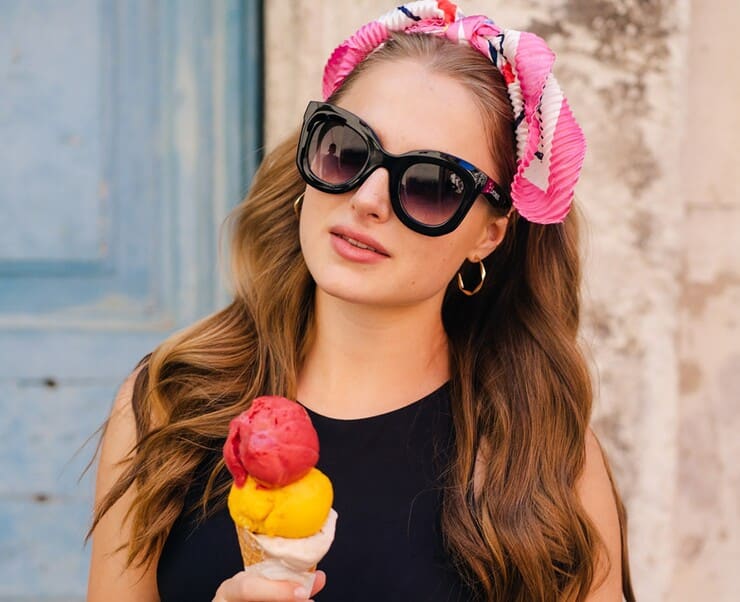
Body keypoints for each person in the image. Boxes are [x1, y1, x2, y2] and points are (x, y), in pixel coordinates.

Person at [87, 2, 636, 601]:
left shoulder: (540, 451)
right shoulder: (171, 401)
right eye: (347, 149)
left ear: (489, 233)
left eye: (429, 185)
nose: (369, 198)